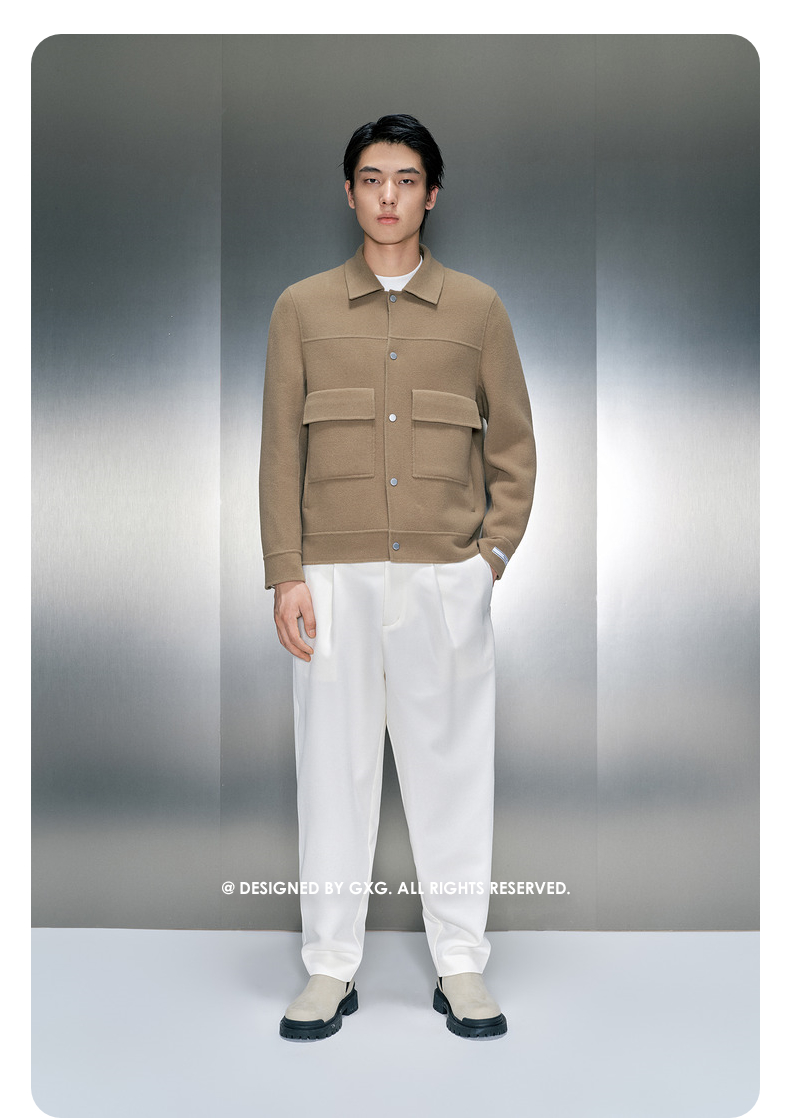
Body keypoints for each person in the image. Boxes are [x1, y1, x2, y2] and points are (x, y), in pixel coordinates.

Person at [259, 114, 536, 1041]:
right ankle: (328, 968)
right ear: (349, 193)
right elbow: (278, 454)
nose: (389, 195)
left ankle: (461, 965)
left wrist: (488, 562)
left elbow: (515, 450)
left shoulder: (479, 311)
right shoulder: (300, 310)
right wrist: (285, 573)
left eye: (407, 179)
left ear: (431, 194)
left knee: (452, 771)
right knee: (330, 778)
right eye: (372, 178)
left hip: (443, 582)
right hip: (330, 585)